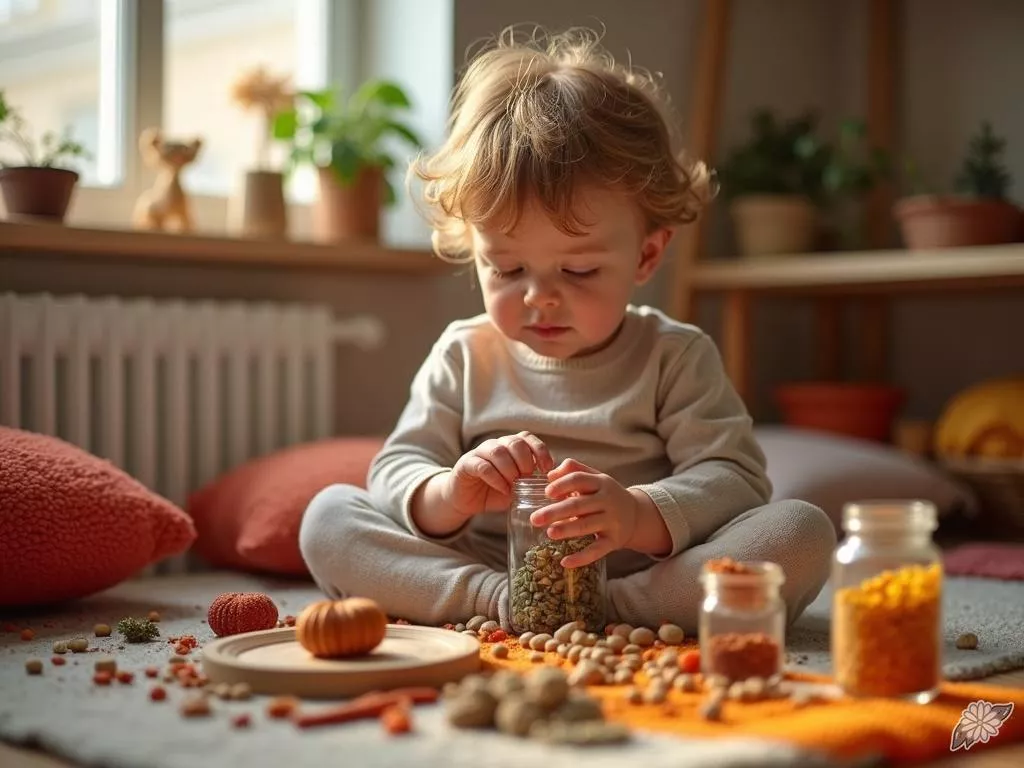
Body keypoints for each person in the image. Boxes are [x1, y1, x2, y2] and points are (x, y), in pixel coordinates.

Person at [299, 26, 836, 632]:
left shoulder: (674, 356)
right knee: (328, 517)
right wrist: (451, 492)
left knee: (800, 530)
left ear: (646, 256)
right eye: (506, 269)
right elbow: (397, 466)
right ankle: (500, 603)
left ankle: (614, 608)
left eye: (578, 270)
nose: (539, 297)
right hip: (490, 569)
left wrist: (636, 514)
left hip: (645, 574)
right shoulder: (465, 353)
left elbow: (735, 479)